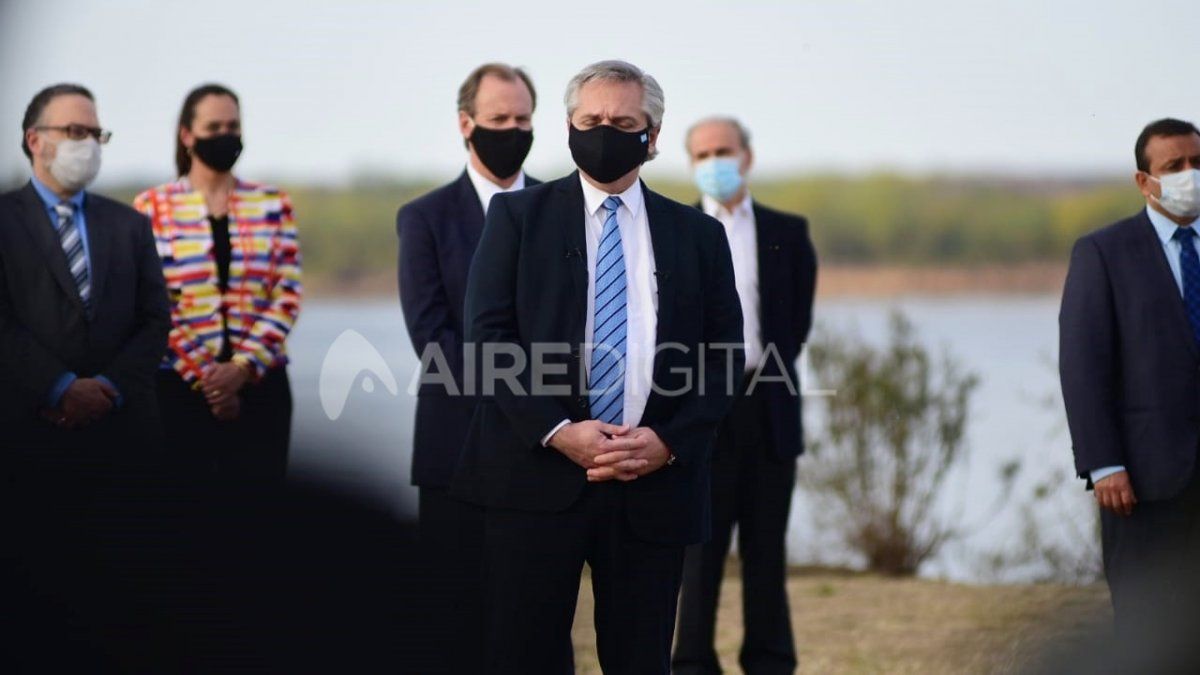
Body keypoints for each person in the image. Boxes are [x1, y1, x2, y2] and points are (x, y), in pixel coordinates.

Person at [453, 60, 744, 674]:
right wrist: (559, 432)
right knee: (522, 658)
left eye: (622, 122)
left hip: (653, 489)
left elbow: (724, 357)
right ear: (569, 127)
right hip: (535, 482)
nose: (604, 131)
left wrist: (668, 443)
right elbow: (486, 341)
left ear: (653, 136)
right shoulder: (516, 219)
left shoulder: (697, 235)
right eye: (591, 121)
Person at [396, 62, 540, 672]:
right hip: (455, 451)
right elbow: (433, 342)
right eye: (498, 119)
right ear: (466, 124)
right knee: (454, 625)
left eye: (523, 120)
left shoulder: (563, 209)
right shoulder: (425, 218)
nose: (511, 130)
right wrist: (526, 398)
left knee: (537, 627)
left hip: (545, 454)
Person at [673, 117, 817, 675]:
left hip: (770, 405)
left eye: (724, 151)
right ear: (691, 164)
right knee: (698, 551)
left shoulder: (789, 231)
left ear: (747, 156)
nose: (715, 162)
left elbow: (795, 324)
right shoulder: (677, 229)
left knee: (765, 549)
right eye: (703, 154)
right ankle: (690, 662)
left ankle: (770, 659)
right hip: (701, 409)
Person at [1060, 117, 1200, 666]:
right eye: (1174, 167)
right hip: (1144, 481)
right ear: (1145, 182)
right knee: (1148, 635)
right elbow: (1082, 365)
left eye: (1197, 163)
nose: (1190, 174)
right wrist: (1103, 464)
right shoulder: (1103, 253)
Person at [0, 83, 169, 490]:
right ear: (35, 139)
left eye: (97, 135)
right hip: (26, 436)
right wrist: (60, 388)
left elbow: (155, 319)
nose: (90, 144)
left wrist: (107, 390)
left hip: (123, 440)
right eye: (76, 132)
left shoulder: (130, 225)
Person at [133, 84, 302, 485]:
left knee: (259, 518)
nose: (225, 135)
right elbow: (150, 302)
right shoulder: (151, 208)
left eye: (233, 126)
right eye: (214, 126)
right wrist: (209, 378)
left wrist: (241, 368)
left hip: (261, 384)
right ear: (188, 135)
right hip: (178, 386)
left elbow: (287, 294)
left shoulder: (273, 203)